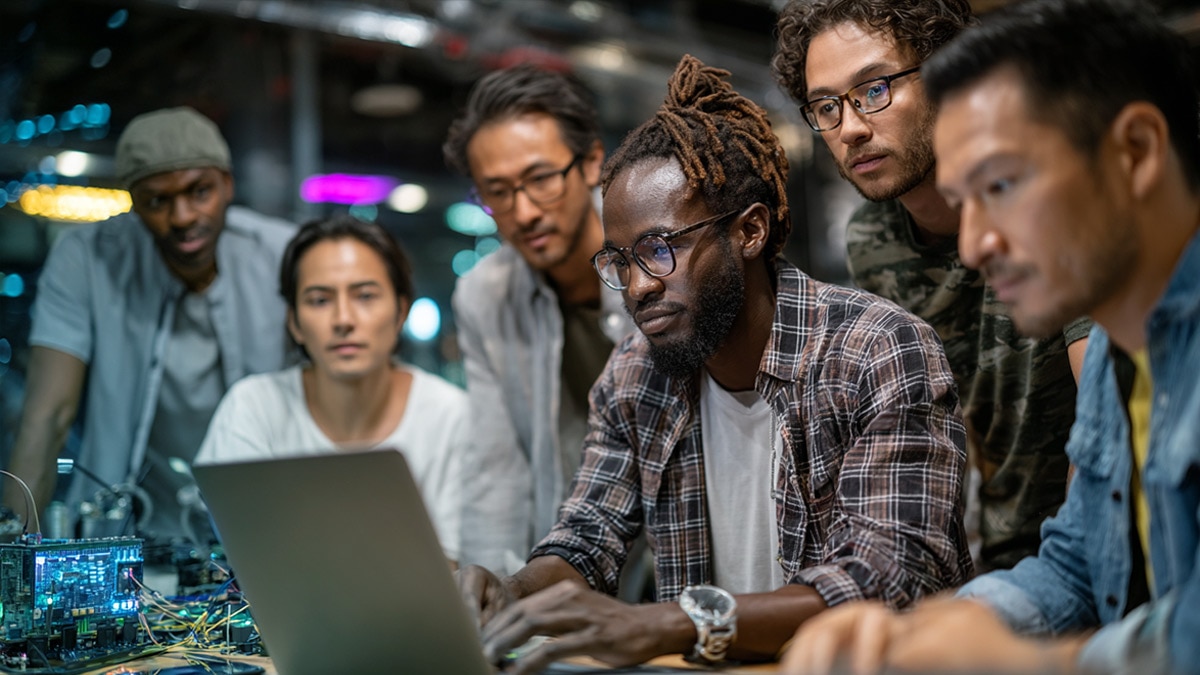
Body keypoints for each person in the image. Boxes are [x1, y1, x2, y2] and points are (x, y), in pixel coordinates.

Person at [455, 54, 972, 675]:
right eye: (620, 260)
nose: (637, 286)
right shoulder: (634, 374)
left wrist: (666, 623)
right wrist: (510, 593)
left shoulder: (876, 351)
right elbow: (587, 536)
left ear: (749, 232)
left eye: (659, 250)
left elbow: (886, 579)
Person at [783, 1, 1200, 672]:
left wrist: (1036, 662)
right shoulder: (1122, 354)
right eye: (964, 198)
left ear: (1136, 151)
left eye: (1002, 185)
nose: (973, 245)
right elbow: (1077, 564)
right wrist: (930, 627)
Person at [772, 0, 1090, 571]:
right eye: (825, 106)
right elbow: (940, 432)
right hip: (996, 558)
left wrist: (1065, 584)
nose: (850, 128)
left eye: (874, 89)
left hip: (1091, 556)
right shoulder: (873, 238)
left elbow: (1104, 422)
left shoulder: (1043, 198)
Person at [2, 107, 296, 543]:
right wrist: (9, 560)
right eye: (158, 200)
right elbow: (48, 417)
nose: (182, 217)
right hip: (129, 538)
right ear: (133, 201)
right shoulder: (86, 258)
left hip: (273, 526)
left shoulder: (283, 256)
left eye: (200, 192)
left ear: (228, 185)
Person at [443, 65, 634, 574]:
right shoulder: (485, 295)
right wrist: (491, 599)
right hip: (576, 560)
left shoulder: (656, 259)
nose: (523, 211)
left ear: (592, 162)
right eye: (498, 192)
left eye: (541, 179)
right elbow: (495, 467)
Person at [195, 215, 468, 563]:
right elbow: (244, 552)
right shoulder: (253, 408)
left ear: (401, 311)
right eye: (320, 300)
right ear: (294, 322)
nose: (343, 319)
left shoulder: (454, 417)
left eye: (365, 296)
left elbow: (464, 573)